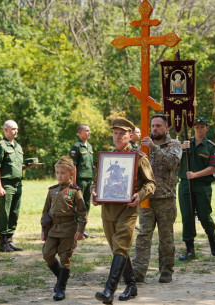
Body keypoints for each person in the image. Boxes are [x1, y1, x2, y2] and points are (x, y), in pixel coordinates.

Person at [92, 118, 156, 304]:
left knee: (121, 245)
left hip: (128, 209)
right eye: (115, 133)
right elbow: (98, 182)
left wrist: (139, 195)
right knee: (118, 249)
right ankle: (131, 284)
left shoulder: (139, 157)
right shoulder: (107, 158)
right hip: (108, 210)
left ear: (130, 136)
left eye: (122, 133)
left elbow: (151, 184)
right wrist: (94, 193)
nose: (118, 136)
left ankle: (108, 290)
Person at [133, 114, 181, 284]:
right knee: (143, 236)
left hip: (165, 199)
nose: (155, 129)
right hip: (146, 199)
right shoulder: (143, 147)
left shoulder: (174, 145)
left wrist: (154, 148)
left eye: (158, 126)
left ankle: (166, 271)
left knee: (166, 238)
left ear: (166, 127)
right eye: (153, 126)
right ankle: (138, 271)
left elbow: (173, 163)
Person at [41, 156, 87, 301]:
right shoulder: (52, 191)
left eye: (62, 173)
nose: (59, 176)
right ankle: (62, 278)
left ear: (71, 174)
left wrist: (80, 230)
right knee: (47, 255)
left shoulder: (74, 191)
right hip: (53, 229)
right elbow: (45, 211)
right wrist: (44, 229)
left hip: (69, 229)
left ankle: (61, 288)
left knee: (65, 257)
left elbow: (82, 212)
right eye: (57, 173)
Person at [0, 120, 39, 252]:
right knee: (4, 213)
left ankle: (10, 240)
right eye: (13, 129)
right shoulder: (0, 146)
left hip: (18, 183)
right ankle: (3, 242)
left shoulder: (18, 147)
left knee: (14, 212)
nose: (16, 131)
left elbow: (18, 166)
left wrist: (28, 167)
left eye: (17, 129)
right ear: (5, 130)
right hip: (6, 184)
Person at [178, 117, 215, 261]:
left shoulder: (210, 147)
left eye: (202, 126)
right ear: (193, 128)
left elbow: (213, 168)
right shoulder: (185, 144)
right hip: (185, 184)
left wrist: (195, 175)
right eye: (197, 127)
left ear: (207, 128)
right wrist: (180, 149)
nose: (199, 129)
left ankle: (212, 238)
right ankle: (190, 249)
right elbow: (172, 157)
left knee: (204, 215)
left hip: (202, 185)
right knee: (187, 217)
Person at [70, 124, 95, 238]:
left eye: (89, 131)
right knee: (78, 205)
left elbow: (90, 164)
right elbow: (73, 165)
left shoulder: (89, 146)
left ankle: (82, 229)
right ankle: (75, 229)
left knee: (86, 204)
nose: (89, 133)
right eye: (86, 131)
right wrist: (74, 183)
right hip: (80, 179)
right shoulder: (76, 147)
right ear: (79, 132)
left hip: (89, 179)